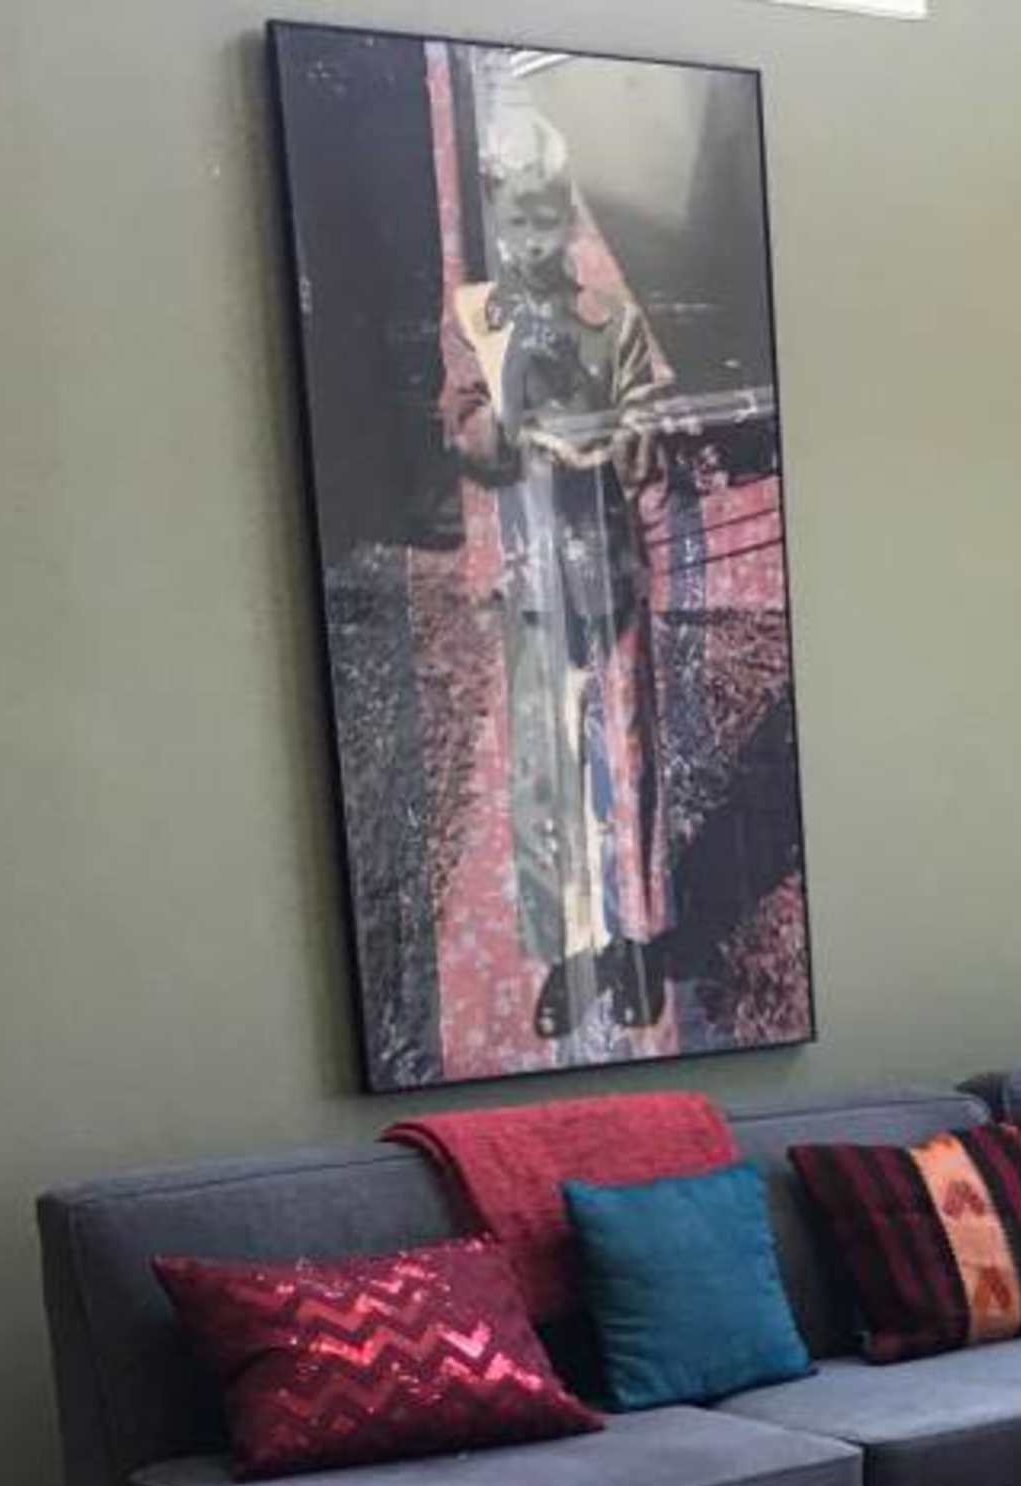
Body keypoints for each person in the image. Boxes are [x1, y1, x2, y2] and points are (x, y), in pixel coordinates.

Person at [439, 80, 676, 1047]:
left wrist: (622, 431)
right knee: (544, 774)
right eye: (518, 223)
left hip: (607, 569)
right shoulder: (474, 319)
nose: (536, 241)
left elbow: (650, 412)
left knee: (624, 757)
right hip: (528, 579)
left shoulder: (609, 315)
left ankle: (631, 937)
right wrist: (513, 418)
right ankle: (567, 948)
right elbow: (462, 427)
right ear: (495, 220)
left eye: (549, 220)